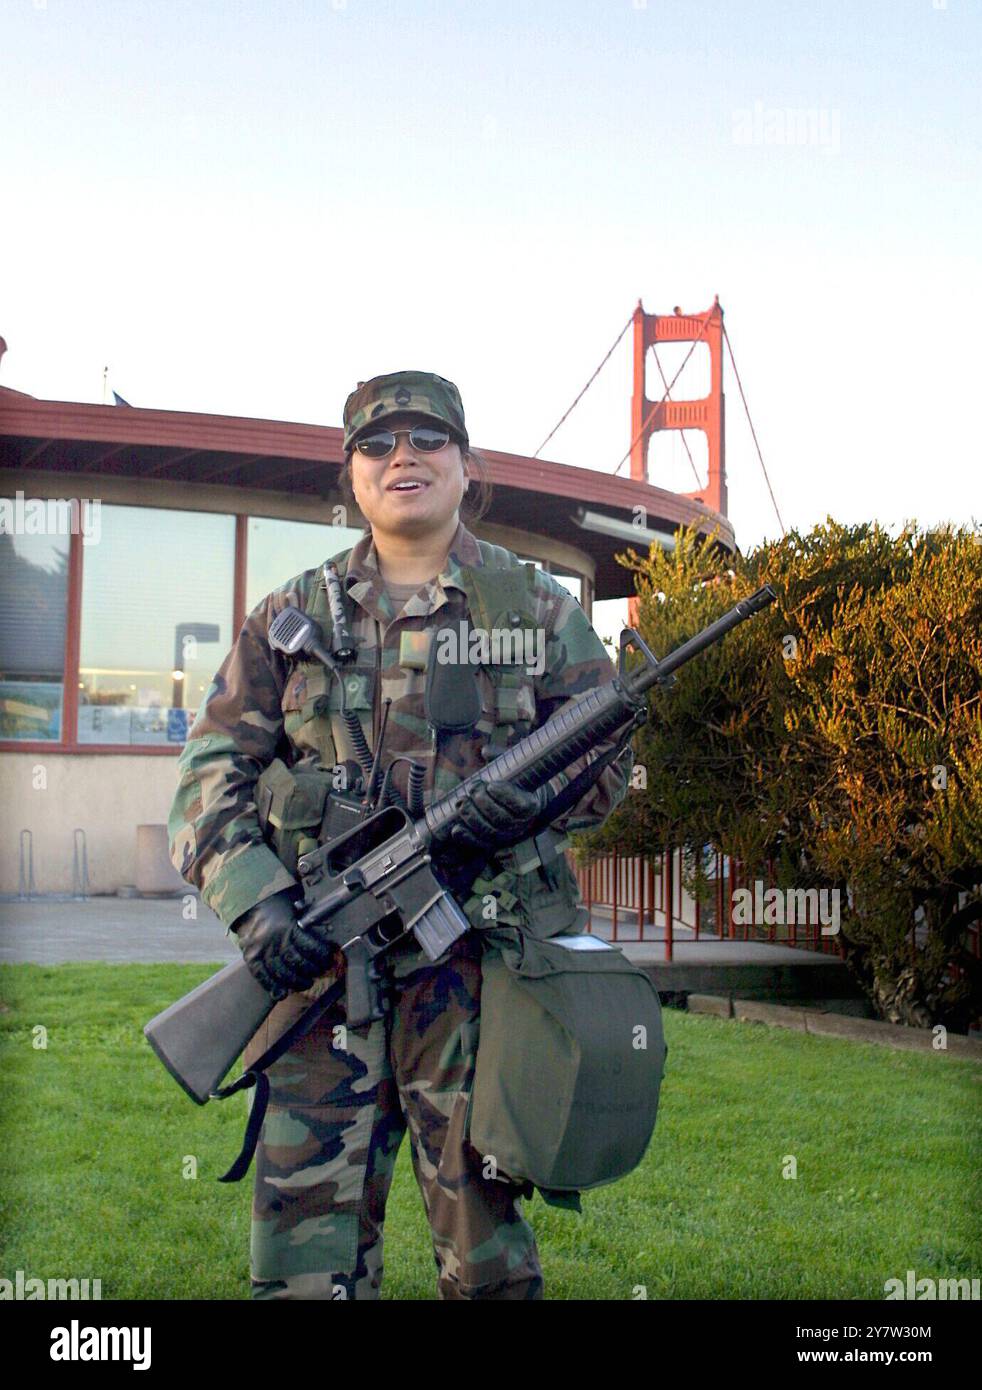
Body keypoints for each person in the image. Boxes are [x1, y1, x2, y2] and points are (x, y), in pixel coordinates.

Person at [169, 369, 633, 1300]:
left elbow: (609, 760)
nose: (403, 457)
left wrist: (536, 806)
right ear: (351, 476)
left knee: (487, 1247)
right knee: (305, 1254)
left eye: (427, 439)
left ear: (467, 466)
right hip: (319, 975)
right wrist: (260, 909)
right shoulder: (291, 618)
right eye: (378, 445)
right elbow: (209, 775)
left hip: (484, 979)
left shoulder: (532, 608)